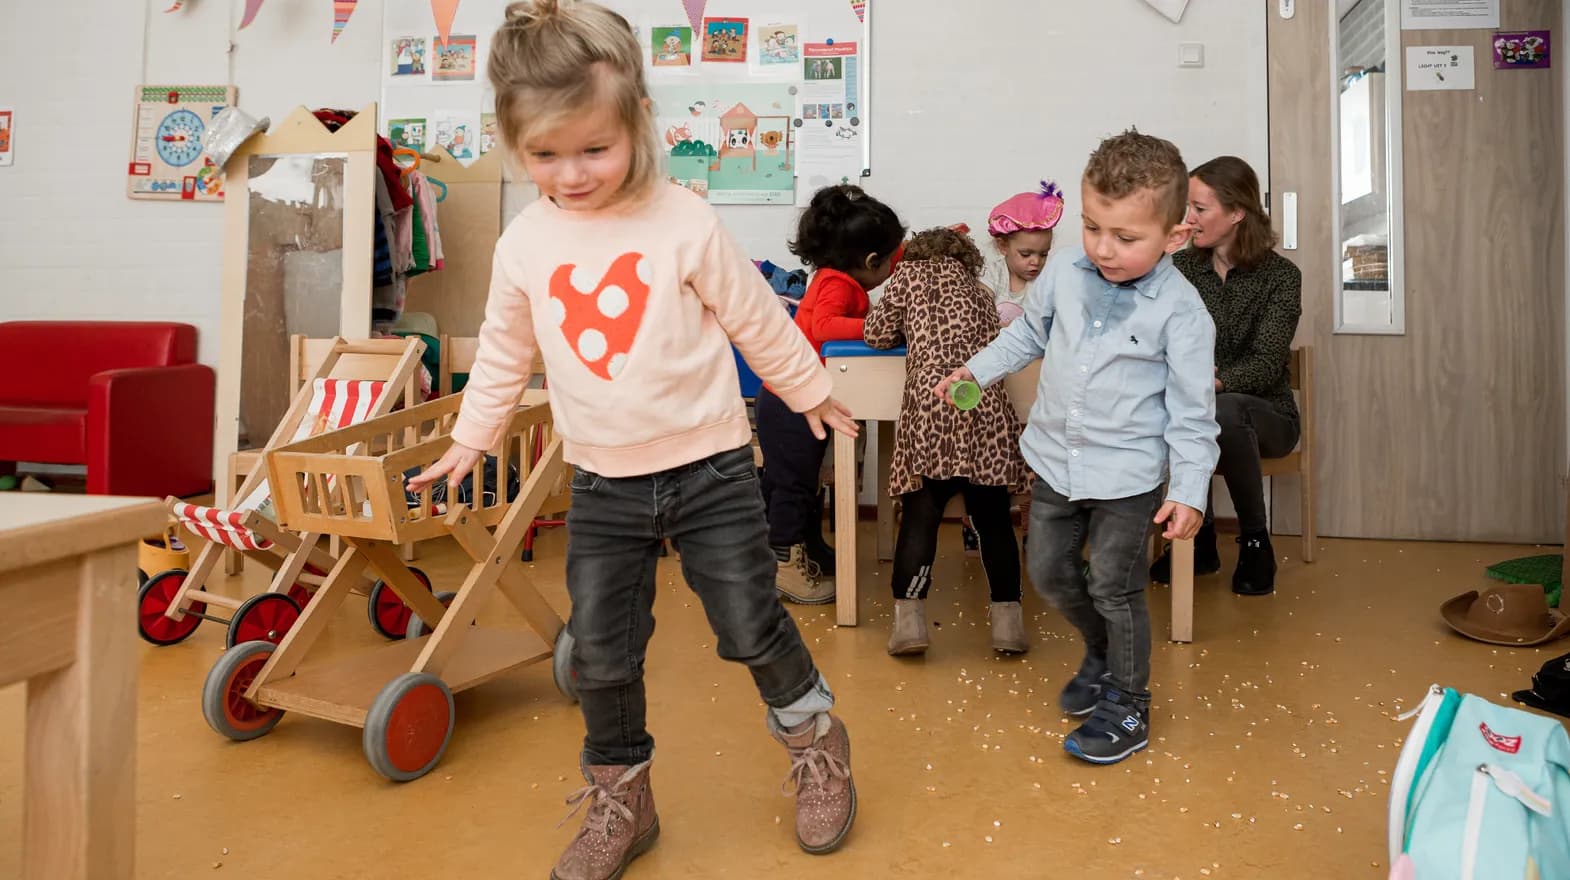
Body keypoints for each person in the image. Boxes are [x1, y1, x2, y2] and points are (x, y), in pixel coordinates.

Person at [408, 3, 860, 876]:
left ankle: (815, 740)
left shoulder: (682, 219)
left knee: (749, 622)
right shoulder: (525, 242)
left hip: (712, 466)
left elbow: (753, 314)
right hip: (603, 482)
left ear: (637, 122)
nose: (571, 174)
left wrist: (808, 388)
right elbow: (505, 349)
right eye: (545, 155)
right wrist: (472, 436)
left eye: (593, 149)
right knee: (603, 653)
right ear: (515, 145)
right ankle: (624, 794)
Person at [936, 128, 1219, 766]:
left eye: (1125, 237)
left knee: (1115, 587)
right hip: (1056, 463)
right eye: (1092, 228)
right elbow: (1026, 336)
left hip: (1129, 478)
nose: (1103, 249)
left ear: (1175, 237)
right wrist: (974, 371)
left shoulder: (1183, 313)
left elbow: (1194, 416)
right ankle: (1101, 649)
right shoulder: (1064, 271)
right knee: (1048, 573)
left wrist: (1189, 490)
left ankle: (1127, 701)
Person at [863, 227, 1031, 656]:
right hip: (984, 407)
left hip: (933, 409)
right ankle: (1008, 624)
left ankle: (909, 622)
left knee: (922, 515)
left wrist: (910, 332)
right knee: (993, 520)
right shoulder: (978, 291)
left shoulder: (906, 278)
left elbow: (876, 335)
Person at [1149, 156, 1302, 597]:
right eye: (1187, 208)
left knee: (1224, 409)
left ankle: (1256, 540)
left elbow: (1267, 363)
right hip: (1199, 406)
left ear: (1236, 213)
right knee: (1180, 409)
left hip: (1267, 417)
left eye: (1199, 208)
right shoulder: (1179, 269)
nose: (1189, 218)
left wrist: (1207, 382)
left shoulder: (1281, 277)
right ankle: (1200, 543)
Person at [756, 183, 904, 605]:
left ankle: (809, 549)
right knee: (792, 486)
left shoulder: (833, 276)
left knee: (803, 484)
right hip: (791, 404)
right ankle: (785, 565)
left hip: (794, 398)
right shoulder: (839, 285)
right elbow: (824, 329)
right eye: (892, 259)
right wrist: (878, 329)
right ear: (872, 261)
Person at [984, 180, 1065, 326]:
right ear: (1003, 246)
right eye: (1026, 254)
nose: (1036, 262)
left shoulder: (1045, 281)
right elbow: (977, 311)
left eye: (1043, 254)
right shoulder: (992, 273)